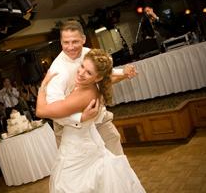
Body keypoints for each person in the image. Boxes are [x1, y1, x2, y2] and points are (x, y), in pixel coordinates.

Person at [36, 49, 145, 192]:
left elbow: (41, 111)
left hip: (78, 149)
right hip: (83, 144)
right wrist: (123, 74)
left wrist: (43, 85)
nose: (81, 73)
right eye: (82, 66)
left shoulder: (82, 96)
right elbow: (110, 78)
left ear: (98, 78)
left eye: (88, 73)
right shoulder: (91, 85)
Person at [45, 20, 138, 155]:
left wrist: (123, 73)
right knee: (83, 171)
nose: (71, 47)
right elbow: (52, 110)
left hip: (99, 119)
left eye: (75, 41)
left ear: (83, 39)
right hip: (70, 128)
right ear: (61, 41)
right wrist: (81, 117)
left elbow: (103, 76)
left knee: (116, 156)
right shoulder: (57, 71)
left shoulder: (88, 53)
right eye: (66, 42)